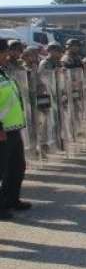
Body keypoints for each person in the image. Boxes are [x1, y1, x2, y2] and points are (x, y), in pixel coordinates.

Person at [0, 39, 30, 220]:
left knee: (17, 167)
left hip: (13, 129)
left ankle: (11, 200)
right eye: (3, 53)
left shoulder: (3, 72)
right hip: (1, 131)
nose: (6, 56)